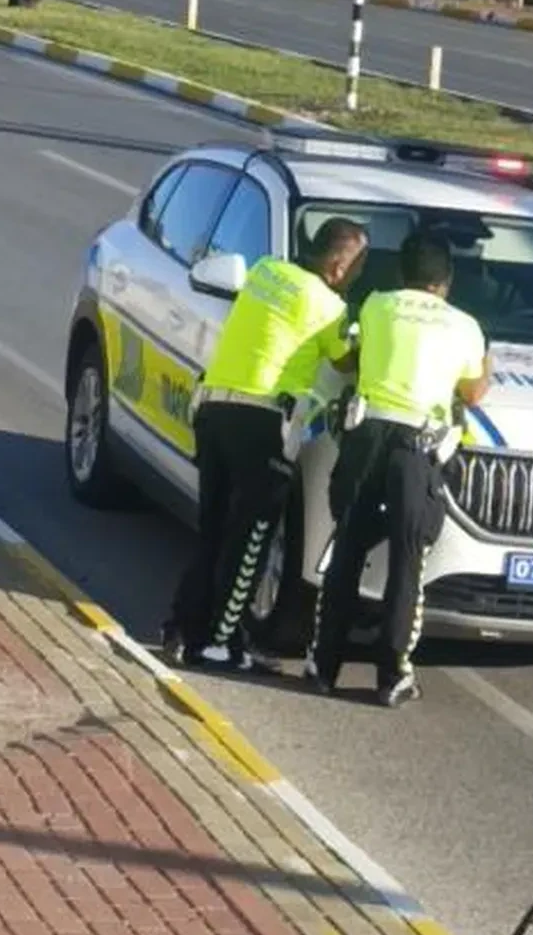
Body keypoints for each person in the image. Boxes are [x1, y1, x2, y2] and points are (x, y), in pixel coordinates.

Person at [163, 218, 369, 670]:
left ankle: (181, 629)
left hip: (214, 407)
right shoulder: (329, 308)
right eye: (357, 268)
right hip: (262, 420)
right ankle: (220, 643)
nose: (355, 278)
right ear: (337, 265)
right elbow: (348, 362)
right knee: (251, 536)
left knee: (213, 528)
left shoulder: (265, 271)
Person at [307, 232, 491, 708]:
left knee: (347, 547)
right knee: (408, 561)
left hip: (367, 437)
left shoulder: (376, 304)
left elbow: (360, 358)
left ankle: (323, 665)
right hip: (416, 446)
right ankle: (391, 676)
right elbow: (472, 393)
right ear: (445, 283)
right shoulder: (466, 325)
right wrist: (485, 361)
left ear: (400, 276)